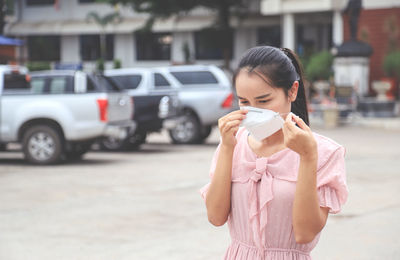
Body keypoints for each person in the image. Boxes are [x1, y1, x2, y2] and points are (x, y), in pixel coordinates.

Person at [200, 46, 348, 260]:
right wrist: (226, 147)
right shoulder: (234, 144)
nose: (253, 111)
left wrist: (307, 157)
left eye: (264, 101)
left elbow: (305, 233)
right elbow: (215, 216)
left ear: (292, 91)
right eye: (244, 102)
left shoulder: (324, 153)